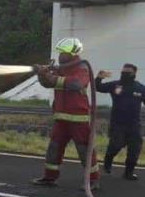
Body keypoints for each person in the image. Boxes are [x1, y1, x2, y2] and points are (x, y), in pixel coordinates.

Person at [32, 38, 100, 188]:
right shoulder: (61, 68)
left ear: (73, 53)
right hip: (61, 117)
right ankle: (50, 177)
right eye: (60, 52)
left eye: (64, 52)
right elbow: (48, 83)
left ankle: (93, 180)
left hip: (78, 118)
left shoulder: (82, 67)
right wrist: (42, 74)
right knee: (54, 148)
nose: (60, 55)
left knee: (84, 149)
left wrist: (52, 77)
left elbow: (76, 83)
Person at [95, 64, 145, 180]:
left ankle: (128, 173)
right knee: (115, 146)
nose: (124, 75)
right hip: (118, 124)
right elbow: (98, 87)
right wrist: (99, 78)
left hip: (134, 125)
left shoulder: (140, 88)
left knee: (134, 151)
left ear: (134, 74)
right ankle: (107, 164)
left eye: (127, 73)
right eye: (123, 72)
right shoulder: (115, 85)